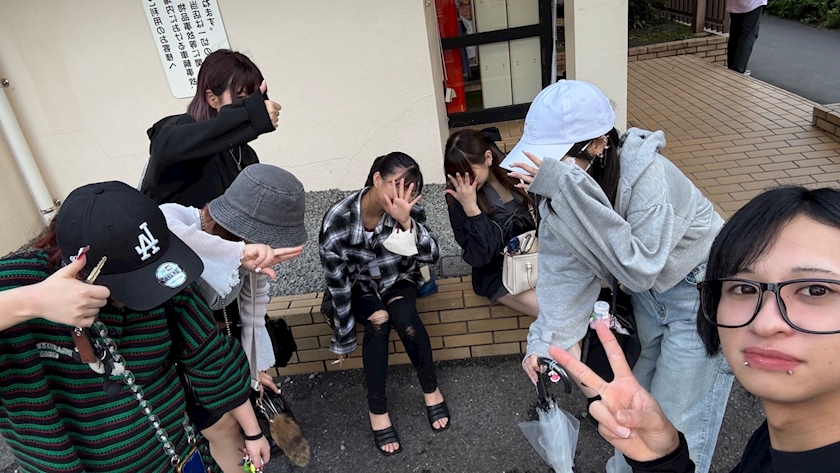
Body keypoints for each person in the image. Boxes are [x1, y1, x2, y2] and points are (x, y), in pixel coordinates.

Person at [507, 80, 733, 473]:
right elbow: (562, 278)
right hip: (650, 298)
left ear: (598, 144)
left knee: (676, 424)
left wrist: (566, 188)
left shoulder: (648, 176)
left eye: (560, 158)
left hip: (700, 293)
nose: (550, 170)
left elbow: (639, 268)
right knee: (628, 412)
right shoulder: (561, 196)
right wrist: (543, 344)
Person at [550, 185, 840, 472]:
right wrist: (663, 461)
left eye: (815, 290)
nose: (765, 323)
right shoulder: (779, 439)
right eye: (744, 288)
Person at [0, 181, 269, 473]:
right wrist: (31, 302)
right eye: (134, 282)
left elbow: (209, 354)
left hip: (177, 451)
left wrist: (253, 432)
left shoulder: (159, 267)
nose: (152, 289)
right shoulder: (22, 284)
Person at [160, 164, 309, 465]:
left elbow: (252, 317)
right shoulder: (178, 220)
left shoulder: (247, 256)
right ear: (242, 232)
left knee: (231, 428)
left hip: (204, 351)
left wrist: (251, 373)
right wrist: (238, 255)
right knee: (226, 429)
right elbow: (163, 224)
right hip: (168, 359)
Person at [319, 152, 447, 456]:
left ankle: (431, 390)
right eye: (396, 185)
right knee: (378, 321)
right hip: (359, 287)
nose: (402, 196)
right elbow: (337, 283)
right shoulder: (338, 218)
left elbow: (432, 255)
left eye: (410, 191)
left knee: (404, 315)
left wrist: (406, 221)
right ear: (377, 179)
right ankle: (377, 410)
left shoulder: (408, 209)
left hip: (398, 278)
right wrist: (343, 336)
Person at [139, 49, 281, 207]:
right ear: (212, 99)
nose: (250, 103)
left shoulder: (246, 154)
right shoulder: (179, 131)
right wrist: (250, 114)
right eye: (241, 98)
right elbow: (165, 146)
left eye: (253, 98)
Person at [444, 127, 539, 317]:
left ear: (488, 157)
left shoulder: (515, 173)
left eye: (470, 173)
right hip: (499, 273)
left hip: (536, 258)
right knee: (554, 313)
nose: (466, 182)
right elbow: (479, 257)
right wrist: (472, 210)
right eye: (457, 175)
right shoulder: (458, 198)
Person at [727, 0, 767, 76]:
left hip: (734, 3)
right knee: (747, 36)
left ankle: (732, 67)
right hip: (752, 4)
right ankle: (738, 69)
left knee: (735, 35)